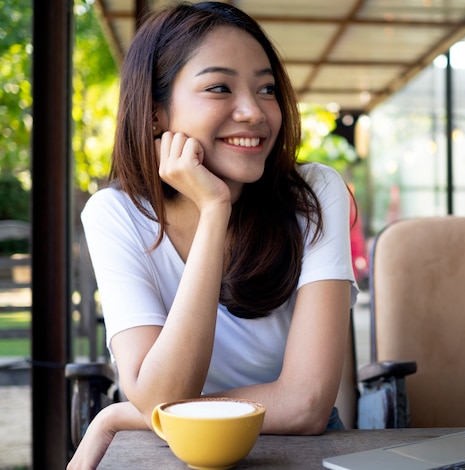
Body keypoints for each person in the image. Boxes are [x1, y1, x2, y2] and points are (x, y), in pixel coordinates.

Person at [67, 2, 358, 468]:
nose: (254, 112)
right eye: (219, 87)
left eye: (266, 89)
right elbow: (163, 395)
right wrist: (214, 208)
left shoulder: (316, 193)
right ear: (157, 113)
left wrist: (121, 416)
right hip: (170, 451)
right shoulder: (114, 214)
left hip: (298, 450)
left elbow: (306, 405)